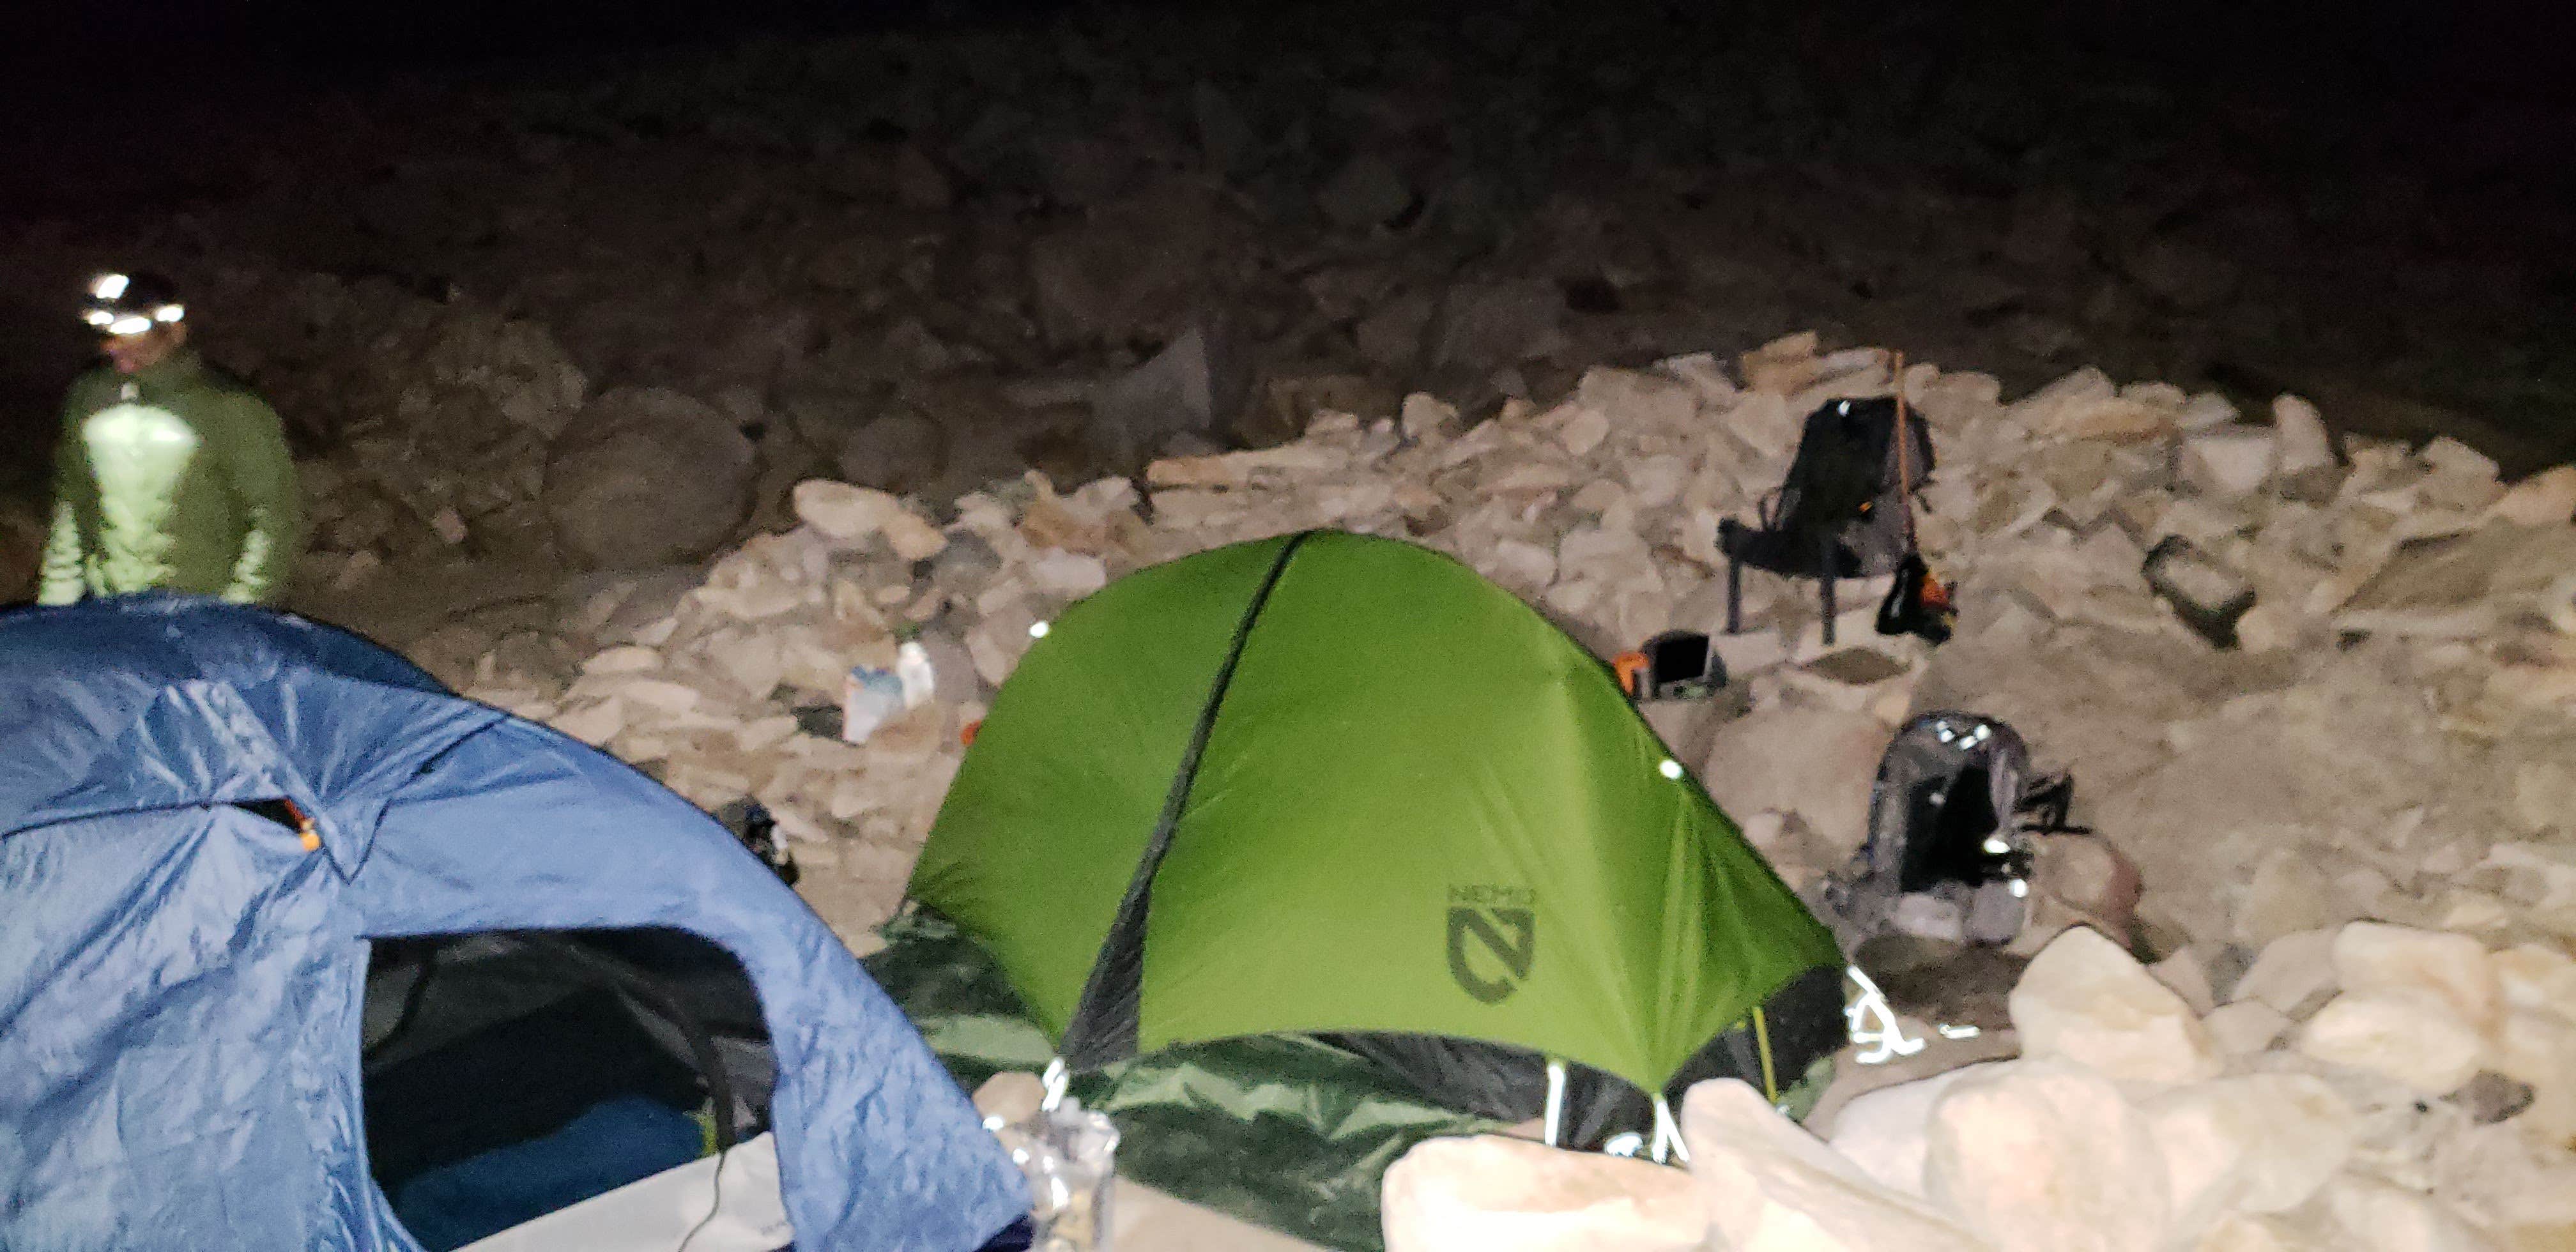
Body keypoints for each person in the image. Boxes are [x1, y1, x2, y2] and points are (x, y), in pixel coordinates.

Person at [37, 271, 301, 606]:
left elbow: (273, 518)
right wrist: (56, 606)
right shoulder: (90, 400)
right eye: (109, 333)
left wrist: (238, 608)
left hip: (199, 611)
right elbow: (72, 507)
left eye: (133, 331)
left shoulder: (231, 410)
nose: (117, 344)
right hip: (110, 608)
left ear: (175, 332)